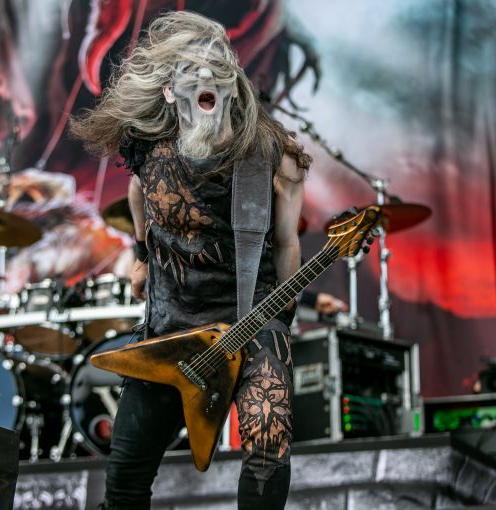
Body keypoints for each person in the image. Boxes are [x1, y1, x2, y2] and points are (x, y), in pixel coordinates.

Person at [71, 11, 315, 509]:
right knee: (126, 474)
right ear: (168, 92)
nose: (205, 76)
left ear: (232, 86)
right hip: (171, 326)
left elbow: (287, 243)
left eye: (216, 70)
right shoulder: (148, 151)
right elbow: (139, 194)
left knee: (268, 444)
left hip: (250, 318)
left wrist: (281, 317)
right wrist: (142, 256)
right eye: (190, 70)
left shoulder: (273, 155)